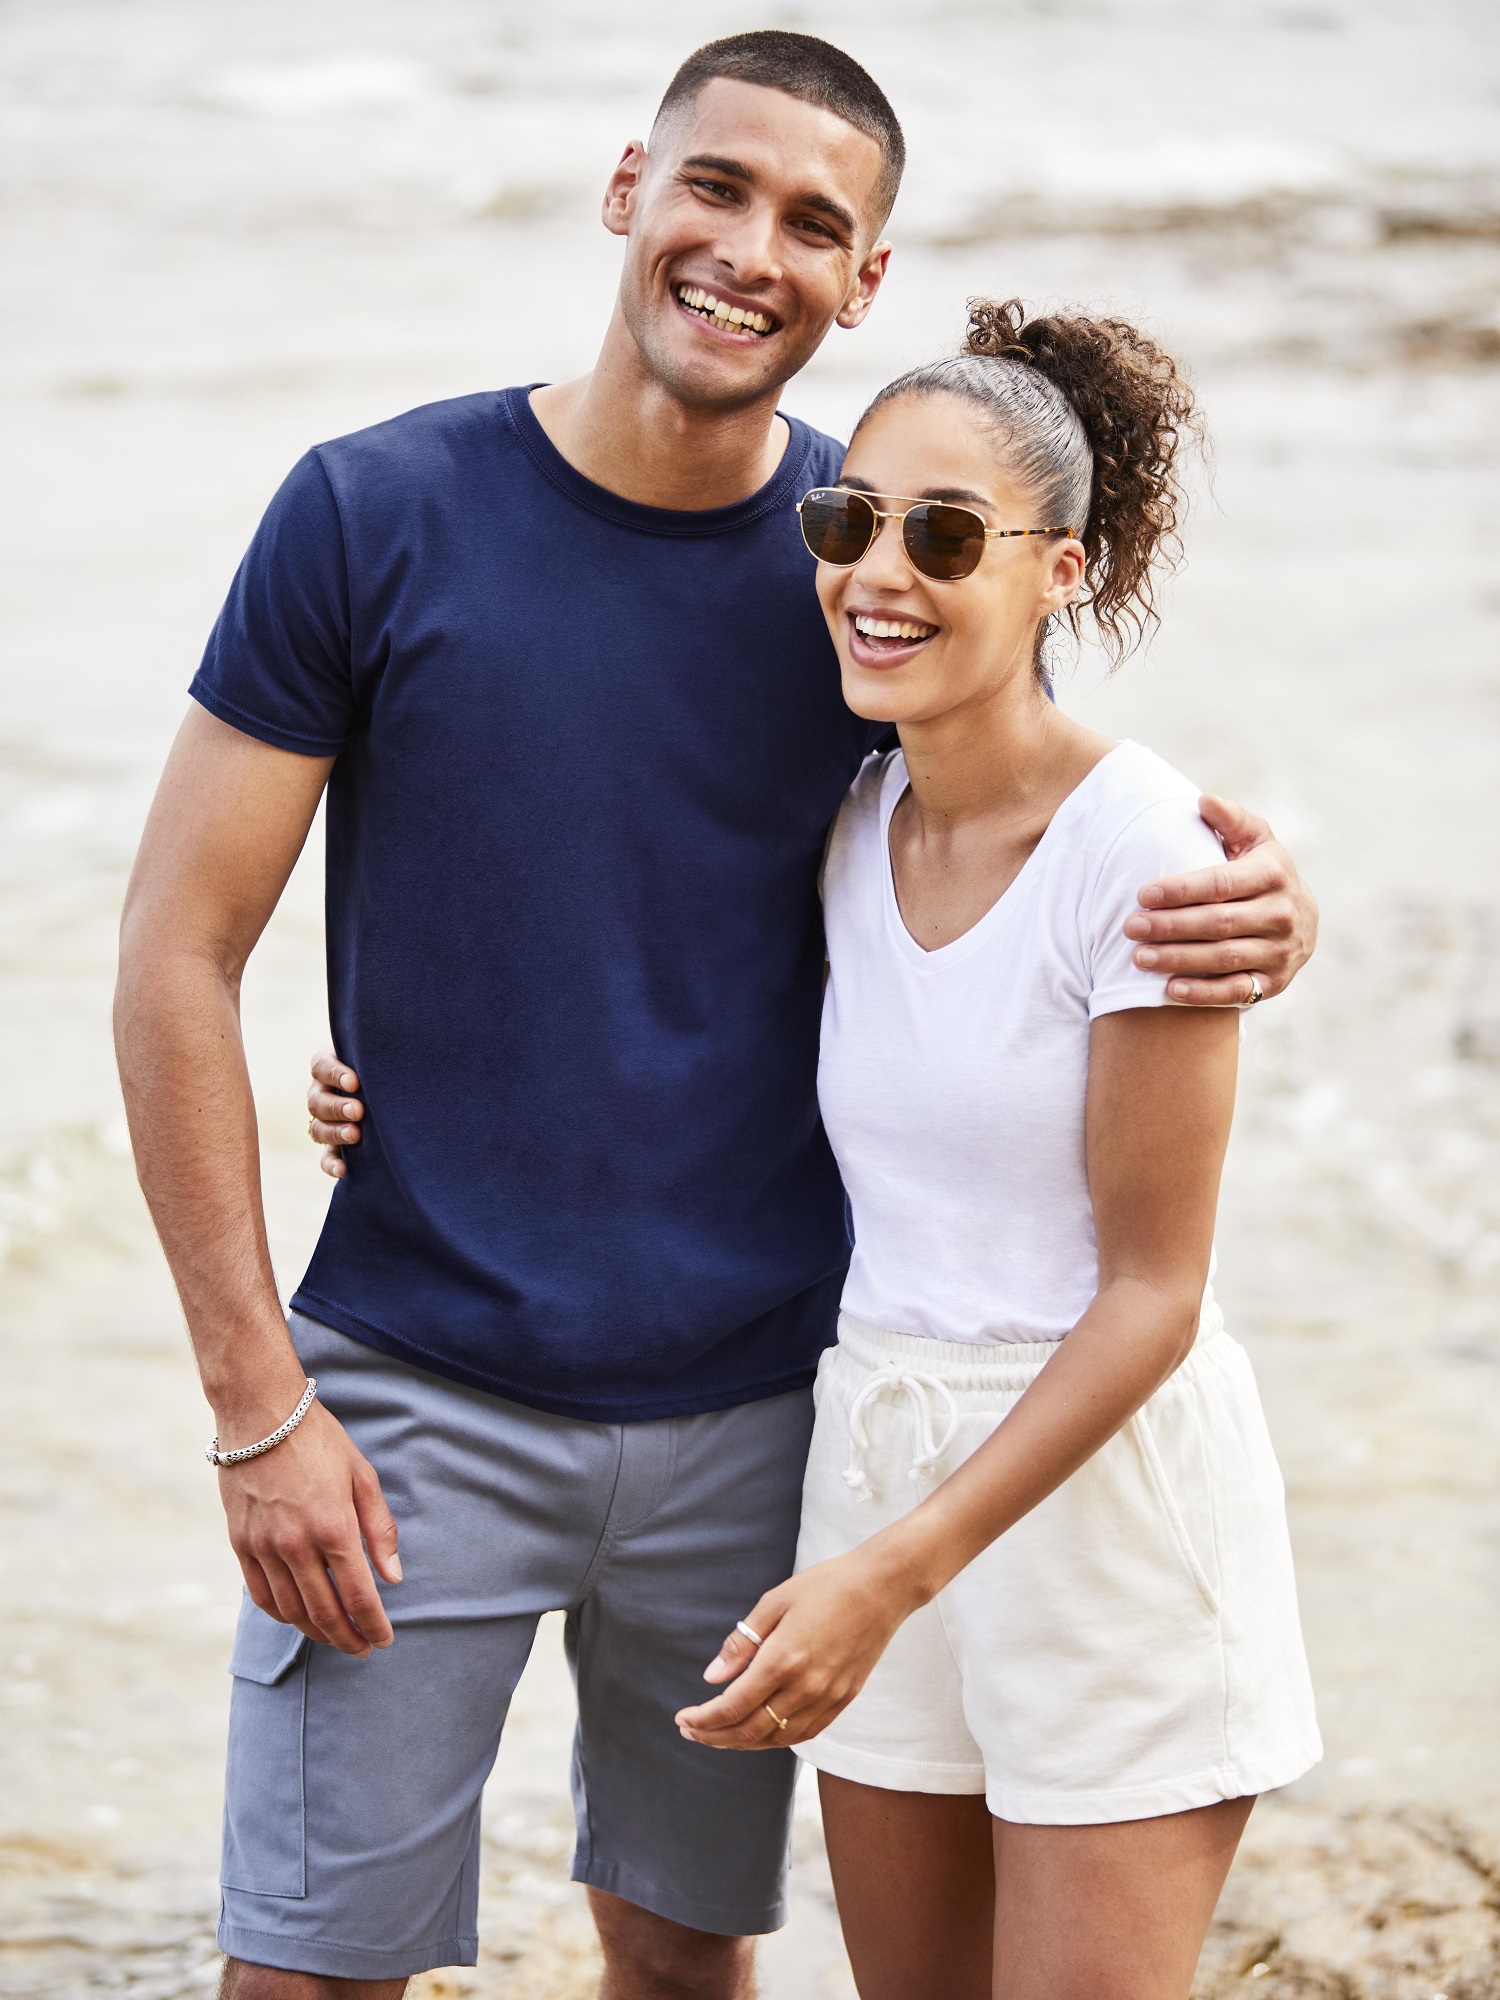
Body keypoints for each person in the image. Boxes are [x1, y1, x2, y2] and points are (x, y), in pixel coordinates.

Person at [115, 29, 1317, 2000]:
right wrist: (258, 1403)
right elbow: (177, 947)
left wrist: (1261, 900)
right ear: (629, 188)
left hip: (772, 1415)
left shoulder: (870, 541)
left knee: (686, 1966)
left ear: (867, 278)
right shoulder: (373, 510)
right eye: (716, 186)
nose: (752, 250)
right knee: (305, 1974)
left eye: (813, 223)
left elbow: (1038, 819)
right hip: (414, 1382)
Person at [670, 301, 1321, 2000]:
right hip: (877, 1453)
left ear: (1063, 573)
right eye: (850, 521)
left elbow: (1154, 1296)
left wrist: (890, 1575)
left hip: (1105, 1512)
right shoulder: (852, 817)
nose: (880, 573)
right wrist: (381, 1085)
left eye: (947, 535)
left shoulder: (1147, 858)